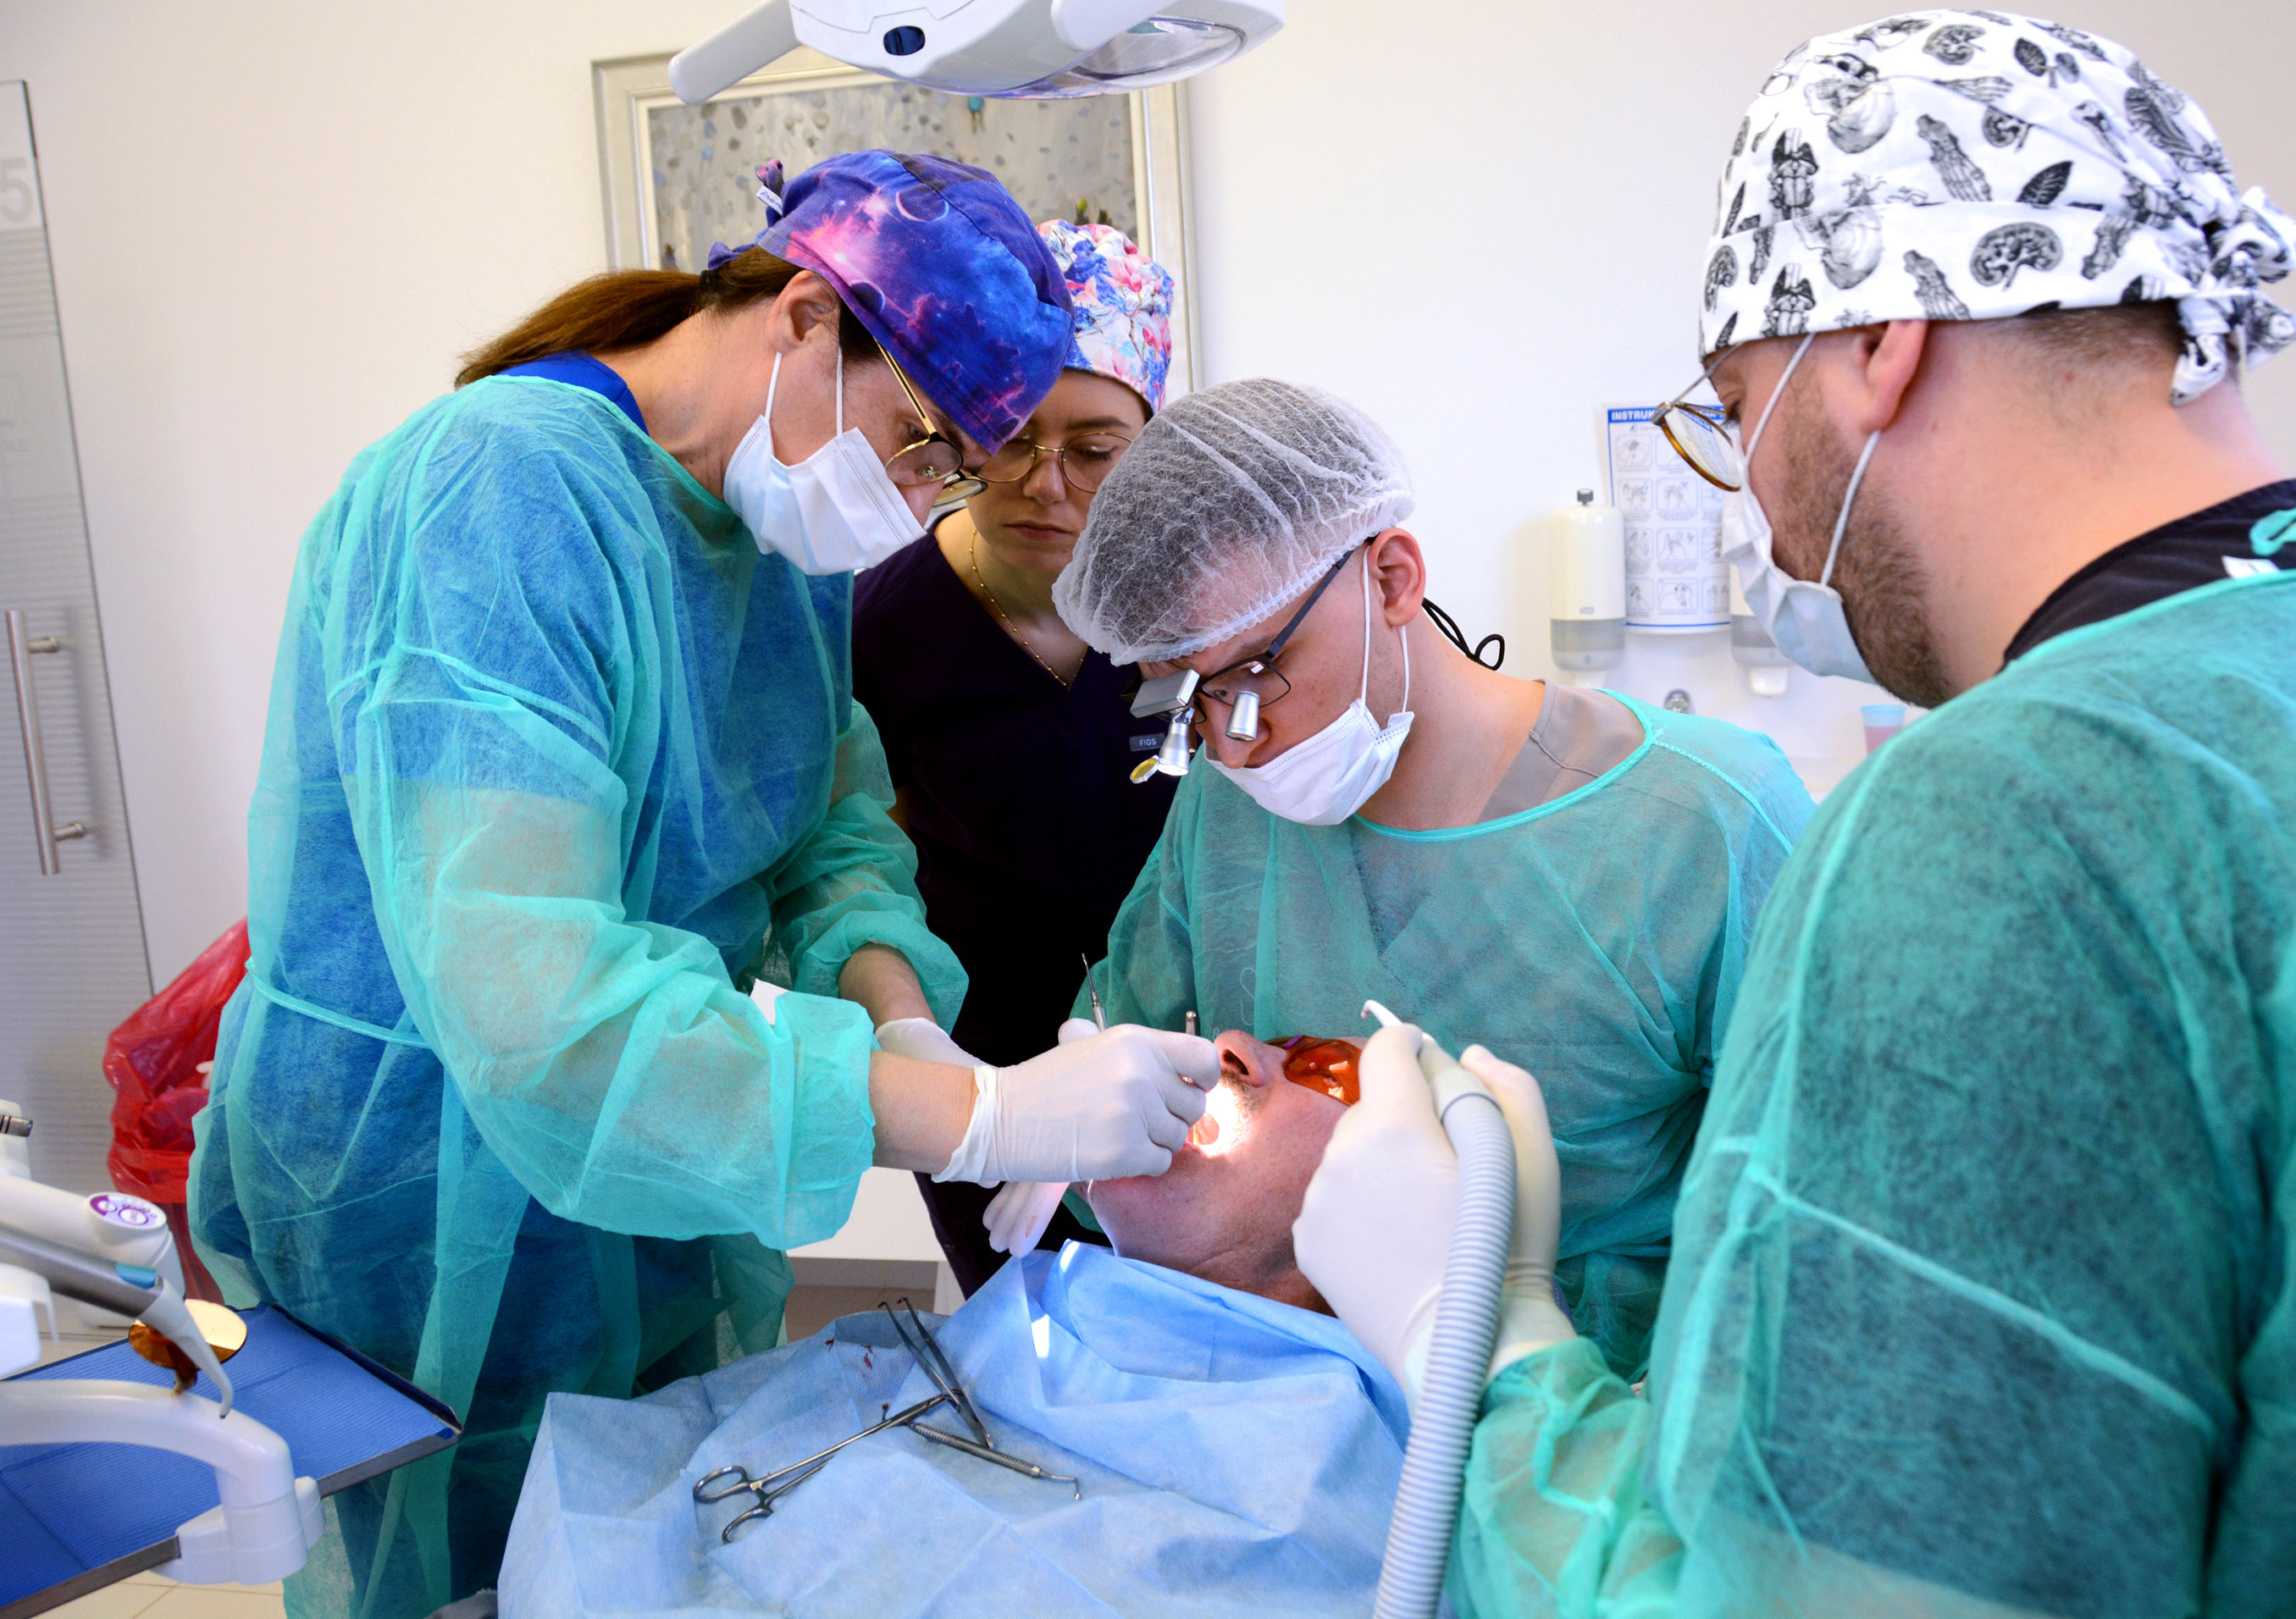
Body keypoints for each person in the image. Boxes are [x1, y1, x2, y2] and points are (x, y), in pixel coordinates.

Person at [1297, 10, 2296, 1617]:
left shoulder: (2008, 819)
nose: (1756, 502)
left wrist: (1485, 1343)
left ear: (1880, 339)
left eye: (1736, 405)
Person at [186, 151, 1219, 1619]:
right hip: (428, 1172)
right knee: (470, 1575)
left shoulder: (773, 526)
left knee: (640, 1551)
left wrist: (899, 1014)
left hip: (648, 1154)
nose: (922, 497)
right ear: (805, 318)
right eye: (925, 441)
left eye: (948, 470)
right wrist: (978, 1116)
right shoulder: (496, 494)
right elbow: (539, 1010)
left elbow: (830, 827)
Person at [1049, 379, 1817, 1380]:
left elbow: (1822, 1233)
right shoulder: (1227, 811)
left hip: (1599, 1426)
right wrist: (1069, 1125)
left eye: (1256, 672)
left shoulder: (1704, 822)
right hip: (1306, 1414)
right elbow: (1140, 1093)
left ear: (1392, 578)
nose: (1233, 745)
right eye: (1187, 702)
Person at [499, 1027, 1399, 1617]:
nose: (1233, 1044)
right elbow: (551, 1034)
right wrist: (943, 1075)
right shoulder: (1020, 1326)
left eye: (1325, 1065)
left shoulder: (1336, 1475)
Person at [850, 221, 1181, 1292]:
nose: (1046, 483)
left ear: (1153, 447)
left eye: (1094, 449)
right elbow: (852, 872)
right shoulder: (880, 630)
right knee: (1037, 1352)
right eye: (1011, 435)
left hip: (1189, 1047)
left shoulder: (1200, 612)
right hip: (988, 1077)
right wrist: (956, 1086)